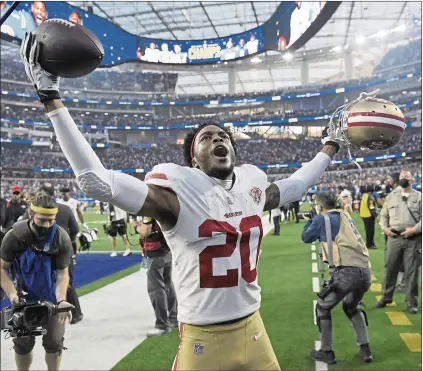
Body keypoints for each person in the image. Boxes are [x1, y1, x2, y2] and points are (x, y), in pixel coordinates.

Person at [21, 33, 342, 370]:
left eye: (224, 136)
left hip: (254, 329)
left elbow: (296, 184)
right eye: (207, 137)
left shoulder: (251, 188)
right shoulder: (175, 197)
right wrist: (50, 96)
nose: (218, 138)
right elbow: (95, 180)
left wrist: (330, 146)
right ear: (194, 159)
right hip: (203, 338)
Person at [0, 192, 73, 371]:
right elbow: (2, 268)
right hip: (22, 297)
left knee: (54, 342)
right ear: (31, 215)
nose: (48, 225)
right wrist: (11, 293)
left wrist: (62, 300)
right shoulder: (14, 236)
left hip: (52, 298)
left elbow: (63, 274)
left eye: (51, 220)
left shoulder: (61, 237)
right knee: (22, 344)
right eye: (42, 220)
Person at [301, 192, 373, 365]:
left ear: (320, 207)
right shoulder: (345, 215)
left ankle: (326, 351)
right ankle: (365, 349)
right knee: (351, 306)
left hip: (346, 273)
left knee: (322, 308)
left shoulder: (321, 219)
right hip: (365, 270)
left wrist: (311, 220)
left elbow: (305, 237)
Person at [20, 183, 83, 324]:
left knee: (41, 282)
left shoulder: (34, 210)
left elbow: (24, 227)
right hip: (63, 251)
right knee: (67, 281)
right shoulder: (65, 209)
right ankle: (76, 314)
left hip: (40, 253)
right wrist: (68, 242)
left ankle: (46, 316)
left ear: (42, 193)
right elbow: (75, 229)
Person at [378, 170, 421, 314]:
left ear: (412, 180)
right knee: (390, 268)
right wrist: (385, 228)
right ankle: (385, 297)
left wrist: (414, 230)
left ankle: (411, 302)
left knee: (412, 272)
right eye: (402, 177)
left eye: (406, 177)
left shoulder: (419, 196)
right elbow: (383, 216)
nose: (403, 179)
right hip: (394, 237)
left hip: (413, 239)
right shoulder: (391, 197)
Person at [136, 216, 178, 337]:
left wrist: (137, 227)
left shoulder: (149, 210)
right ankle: (173, 317)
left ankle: (162, 324)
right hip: (166, 249)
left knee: (156, 289)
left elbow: (145, 231)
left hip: (155, 252)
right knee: (167, 284)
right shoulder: (163, 205)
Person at [359, 185, 377, 249]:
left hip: (364, 215)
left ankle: (371, 243)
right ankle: (369, 244)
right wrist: (374, 215)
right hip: (369, 215)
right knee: (370, 231)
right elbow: (371, 206)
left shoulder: (364, 196)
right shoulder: (370, 197)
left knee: (368, 230)